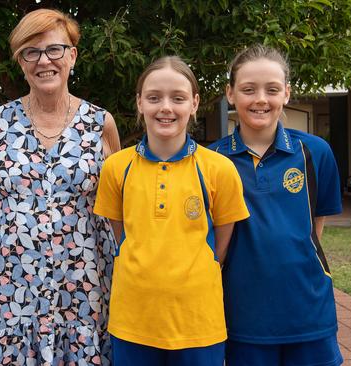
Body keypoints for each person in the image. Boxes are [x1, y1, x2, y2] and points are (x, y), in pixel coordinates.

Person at [0, 8, 121, 365]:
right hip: (13, 283)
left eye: (54, 49)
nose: (44, 61)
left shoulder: (100, 123)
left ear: (72, 55)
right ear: (20, 61)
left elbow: (116, 202)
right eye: (31, 52)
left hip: (84, 283)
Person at [94, 56, 249, 366]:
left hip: (198, 322)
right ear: (139, 103)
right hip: (133, 321)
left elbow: (222, 239)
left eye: (177, 98)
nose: (165, 107)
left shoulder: (219, 169)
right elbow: (120, 231)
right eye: (154, 98)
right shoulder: (116, 168)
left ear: (194, 103)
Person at [209, 44, 344, 366]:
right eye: (248, 89)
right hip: (242, 314)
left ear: (286, 93)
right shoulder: (212, 160)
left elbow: (314, 227)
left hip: (308, 310)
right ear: (230, 94)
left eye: (271, 89)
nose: (260, 99)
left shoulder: (315, 151)